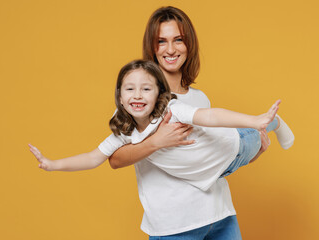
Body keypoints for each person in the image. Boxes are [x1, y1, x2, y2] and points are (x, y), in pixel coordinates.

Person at [106, 6, 294, 239]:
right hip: (174, 225)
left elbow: (211, 159)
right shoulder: (139, 99)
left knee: (244, 138)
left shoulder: (199, 98)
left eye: (178, 40)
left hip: (220, 215)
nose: (171, 49)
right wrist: (156, 141)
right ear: (152, 48)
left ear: (189, 45)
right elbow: (114, 158)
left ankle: (271, 124)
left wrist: (255, 152)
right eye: (161, 41)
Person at [29, 59, 293, 192]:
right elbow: (93, 158)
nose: (137, 95)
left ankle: (274, 123)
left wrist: (255, 120)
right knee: (251, 138)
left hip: (234, 149)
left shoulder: (172, 110)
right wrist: (53, 165)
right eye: (130, 89)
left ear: (158, 93)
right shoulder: (124, 132)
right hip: (216, 174)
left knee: (254, 134)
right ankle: (264, 126)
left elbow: (210, 116)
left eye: (146, 89)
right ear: (120, 96)